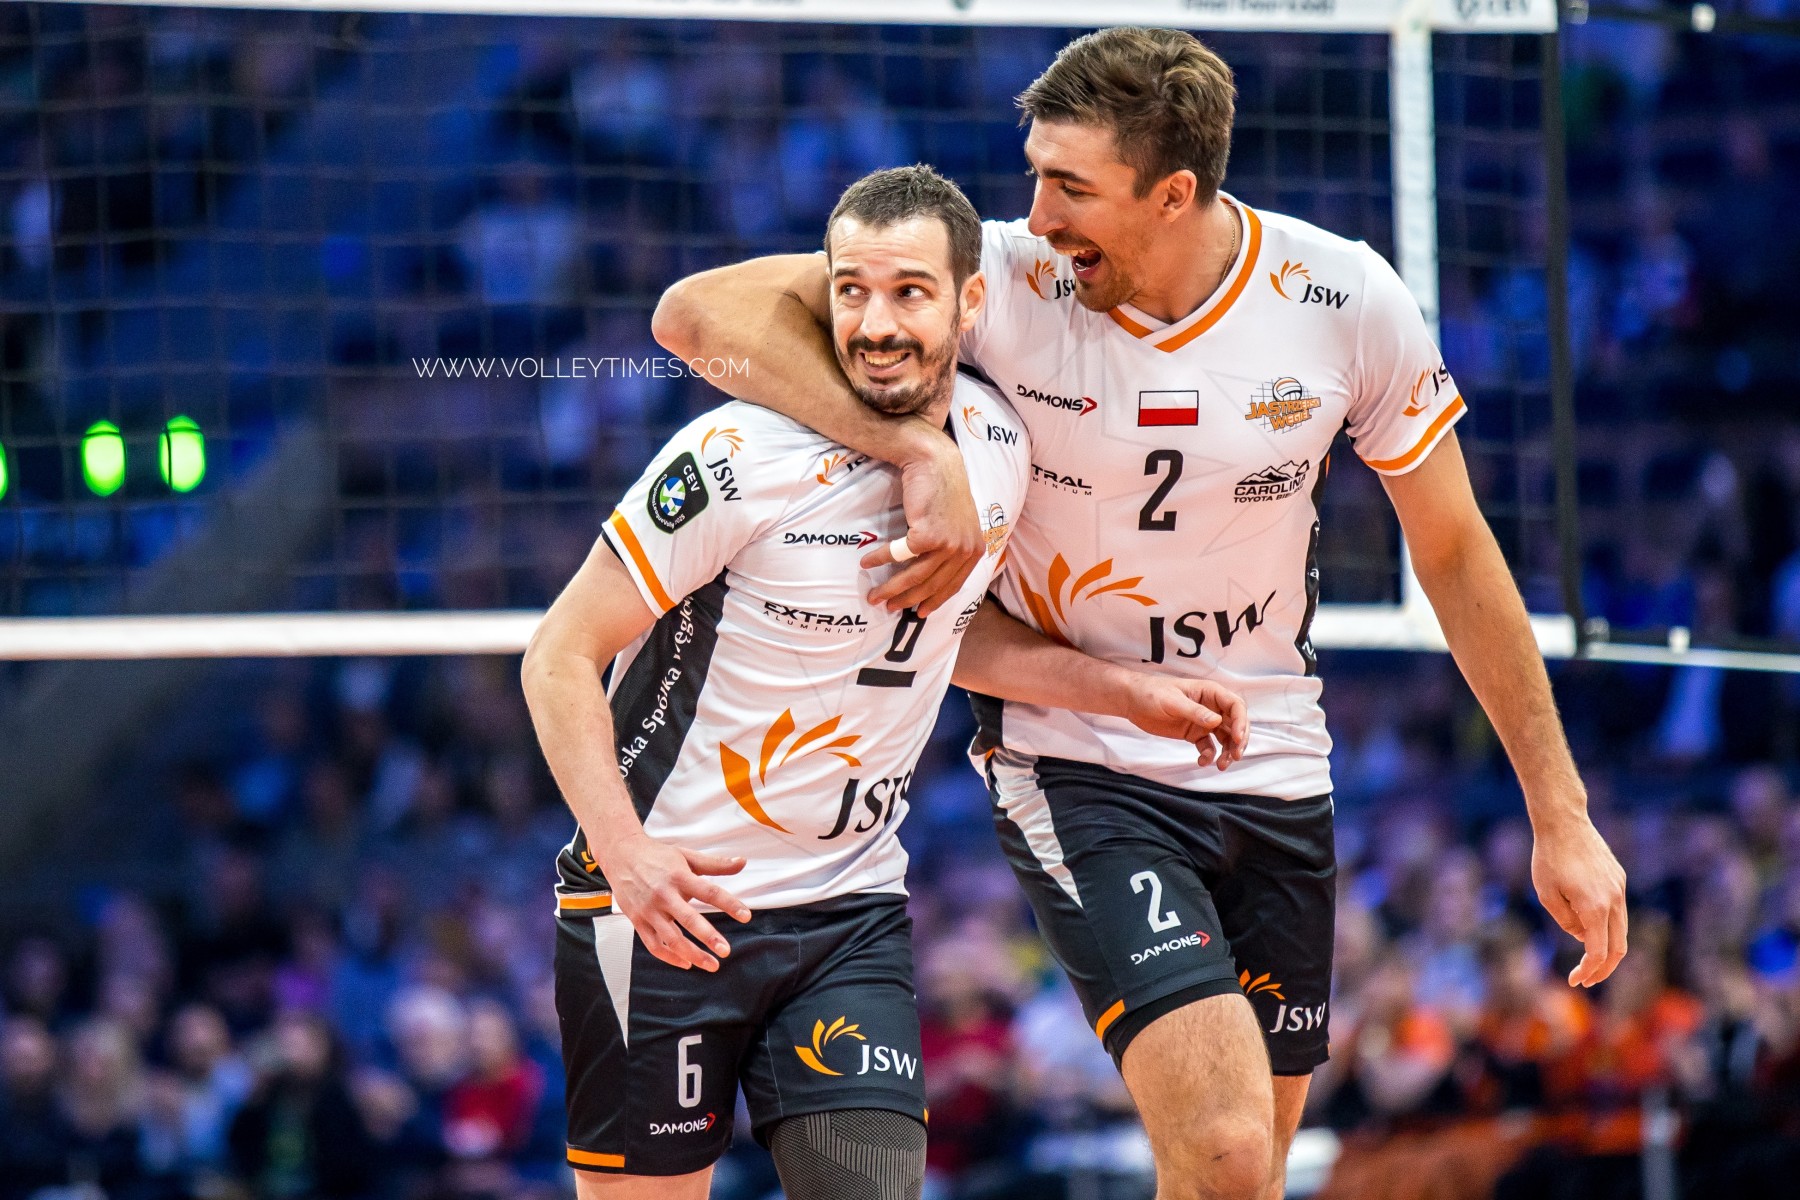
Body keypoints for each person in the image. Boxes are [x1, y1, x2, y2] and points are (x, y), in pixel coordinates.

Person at [651, 27, 1630, 1200]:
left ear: (1174, 193)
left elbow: (1458, 551)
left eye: (1071, 187)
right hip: (1081, 755)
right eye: (1036, 176)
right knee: (1224, 1144)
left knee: (1243, 1171)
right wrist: (916, 448)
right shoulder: (1001, 278)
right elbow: (698, 316)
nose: (1038, 213)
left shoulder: (1342, 297)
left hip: (1271, 749)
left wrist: (1560, 813)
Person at [522, 164, 1249, 1200]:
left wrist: (1123, 691)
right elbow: (557, 655)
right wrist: (625, 856)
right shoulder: (735, 455)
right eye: (851, 291)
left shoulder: (998, 446)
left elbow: (943, 635)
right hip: (669, 907)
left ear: (969, 301)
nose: (874, 324)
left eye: (909, 292)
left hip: (847, 909)